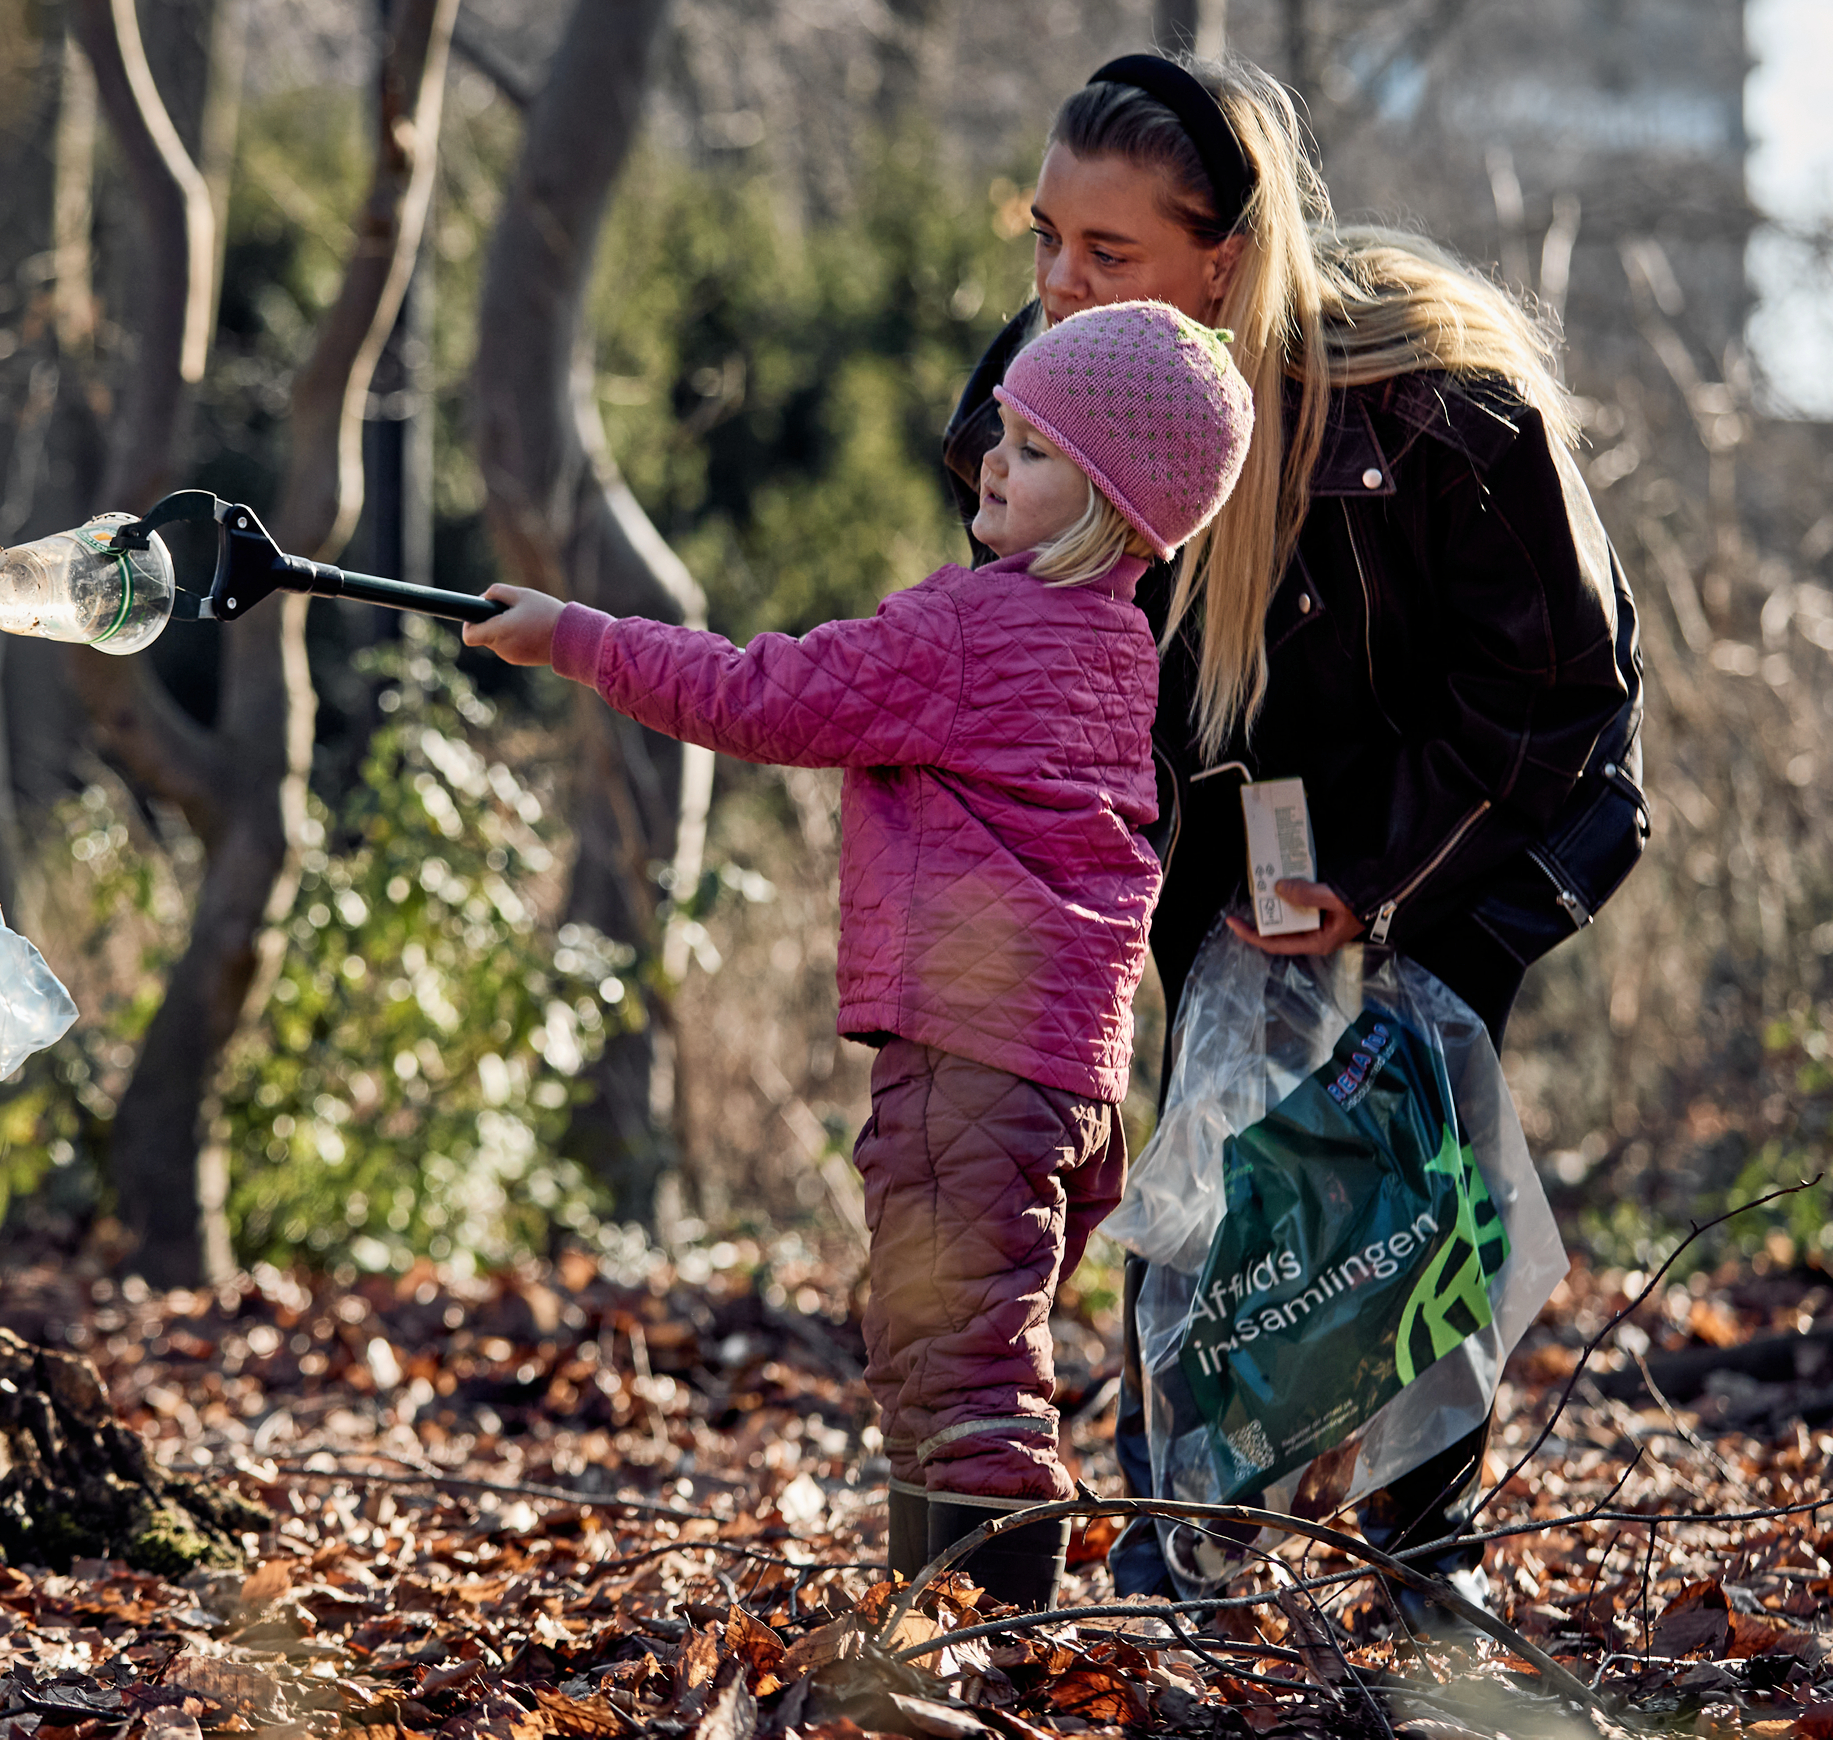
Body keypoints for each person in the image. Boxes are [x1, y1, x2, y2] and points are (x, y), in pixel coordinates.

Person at [939, 52, 1641, 1611]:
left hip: (1468, 803)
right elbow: (1027, 659)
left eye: (1108, 254)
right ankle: (1179, 1536)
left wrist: (1371, 883)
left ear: (1227, 261)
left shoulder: (1442, 420)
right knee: (1204, 1136)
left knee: (1401, 1128)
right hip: (1220, 812)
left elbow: (1558, 695)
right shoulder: (1030, 394)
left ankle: (1421, 1551)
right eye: (1044, 236)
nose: (1060, 283)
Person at [467, 300, 1255, 1607]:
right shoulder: (1122, 648)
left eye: (1037, 450)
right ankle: (954, 1605)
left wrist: (575, 637)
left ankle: (983, 1620)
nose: (993, 462)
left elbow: (757, 692)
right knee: (957, 1340)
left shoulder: (966, 631)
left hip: (972, 1061)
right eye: (1002, 431)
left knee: (954, 1363)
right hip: (1072, 1079)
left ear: (1117, 506)